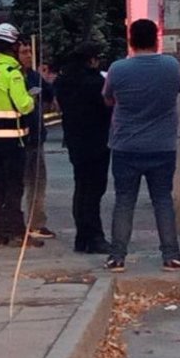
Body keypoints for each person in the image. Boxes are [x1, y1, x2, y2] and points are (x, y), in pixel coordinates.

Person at [102, 19, 180, 272]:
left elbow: (108, 99)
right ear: (156, 39)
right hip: (162, 146)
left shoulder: (117, 69)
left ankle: (117, 257)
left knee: (124, 201)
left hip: (125, 146)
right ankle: (171, 256)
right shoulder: (170, 66)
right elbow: (174, 91)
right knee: (162, 200)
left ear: (131, 40)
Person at [0, 22, 41, 248]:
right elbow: (23, 106)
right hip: (15, 139)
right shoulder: (12, 74)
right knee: (15, 186)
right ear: (11, 47)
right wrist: (31, 97)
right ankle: (16, 233)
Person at [54, 42, 112, 254]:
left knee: (81, 189)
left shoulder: (63, 82)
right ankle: (95, 237)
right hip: (97, 142)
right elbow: (107, 109)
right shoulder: (96, 83)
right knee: (94, 192)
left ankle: (82, 237)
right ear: (91, 60)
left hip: (75, 142)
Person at [18, 43, 55, 240]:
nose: (28, 56)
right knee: (19, 183)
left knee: (38, 183)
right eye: (24, 52)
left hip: (36, 136)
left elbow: (49, 94)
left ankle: (36, 223)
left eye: (30, 52)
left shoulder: (33, 75)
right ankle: (15, 223)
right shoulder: (13, 76)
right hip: (18, 138)